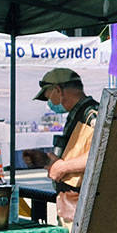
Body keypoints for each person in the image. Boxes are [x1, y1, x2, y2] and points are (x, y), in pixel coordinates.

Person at [35, 68, 97, 222]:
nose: (50, 103)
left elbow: (102, 151)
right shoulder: (77, 113)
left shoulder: (91, 114)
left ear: (58, 90)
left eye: (49, 97)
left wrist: (63, 167)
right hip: (71, 202)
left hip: (80, 202)